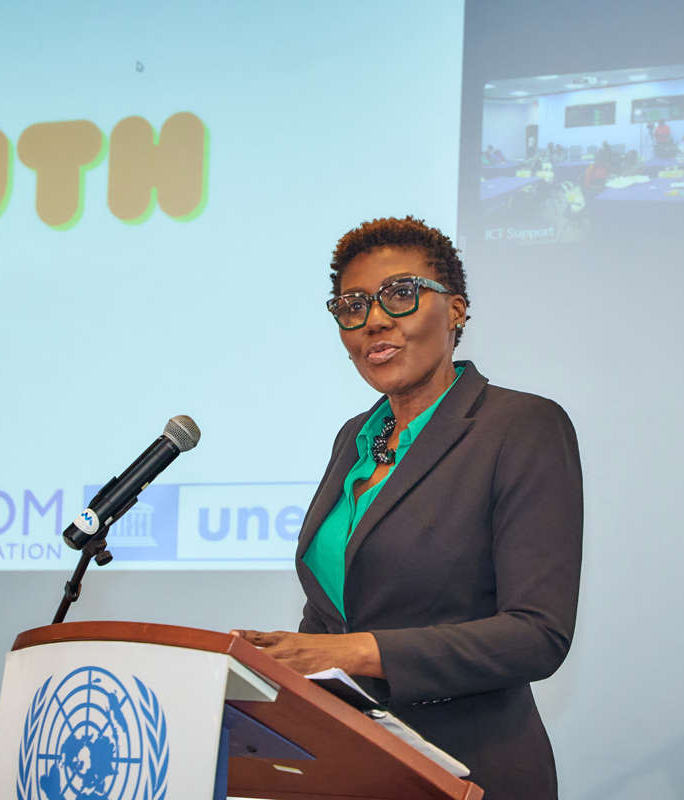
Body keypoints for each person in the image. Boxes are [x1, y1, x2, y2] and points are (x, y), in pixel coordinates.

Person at [234, 217, 583, 799]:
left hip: (470, 771)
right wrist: (278, 668)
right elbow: (332, 612)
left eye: (400, 294)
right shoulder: (355, 438)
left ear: (456, 310)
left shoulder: (519, 426)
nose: (373, 319)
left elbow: (537, 634)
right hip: (353, 767)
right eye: (352, 306)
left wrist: (350, 652)